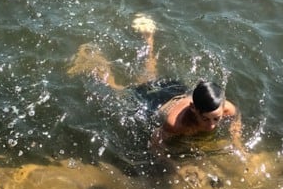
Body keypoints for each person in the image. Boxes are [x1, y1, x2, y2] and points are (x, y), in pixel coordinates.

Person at [67, 14, 243, 155]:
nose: (212, 125)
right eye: (206, 119)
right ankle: (92, 61)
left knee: (150, 76)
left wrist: (236, 141)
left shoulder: (225, 107)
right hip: (155, 102)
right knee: (116, 90)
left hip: (176, 90)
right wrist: (174, 168)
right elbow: (155, 144)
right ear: (193, 109)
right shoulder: (175, 123)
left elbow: (236, 118)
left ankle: (149, 37)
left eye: (216, 119)